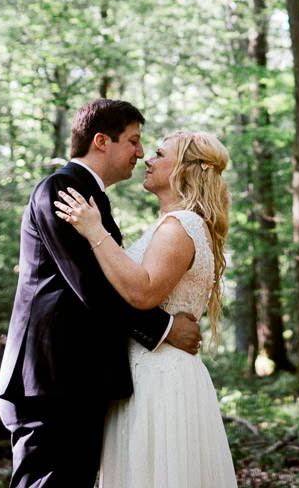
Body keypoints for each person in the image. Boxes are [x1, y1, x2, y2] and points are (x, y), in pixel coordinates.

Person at [0, 98, 203, 488]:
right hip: (49, 380)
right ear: (102, 141)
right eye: (134, 141)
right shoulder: (62, 190)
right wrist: (164, 328)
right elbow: (90, 286)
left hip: (75, 381)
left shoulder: (90, 197)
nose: (141, 154)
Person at [54, 128, 236, 488]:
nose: (146, 159)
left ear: (184, 168)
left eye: (159, 153)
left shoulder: (180, 226)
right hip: (151, 370)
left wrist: (94, 232)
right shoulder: (174, 224)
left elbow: (142, 293)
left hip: (158, 376)